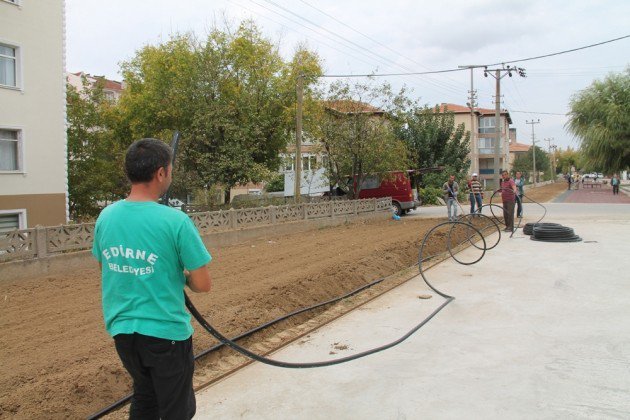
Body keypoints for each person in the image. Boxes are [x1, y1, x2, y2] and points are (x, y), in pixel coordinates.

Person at [92, 138, 212, 419]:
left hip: (123, 332)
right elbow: (203, 284)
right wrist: (180, 277)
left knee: (145, 398)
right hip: (166, 335)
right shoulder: (176, 221)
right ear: (161, 173)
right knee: (176, 409)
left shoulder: (106, 217)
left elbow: (106, 267)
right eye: (170, 169)